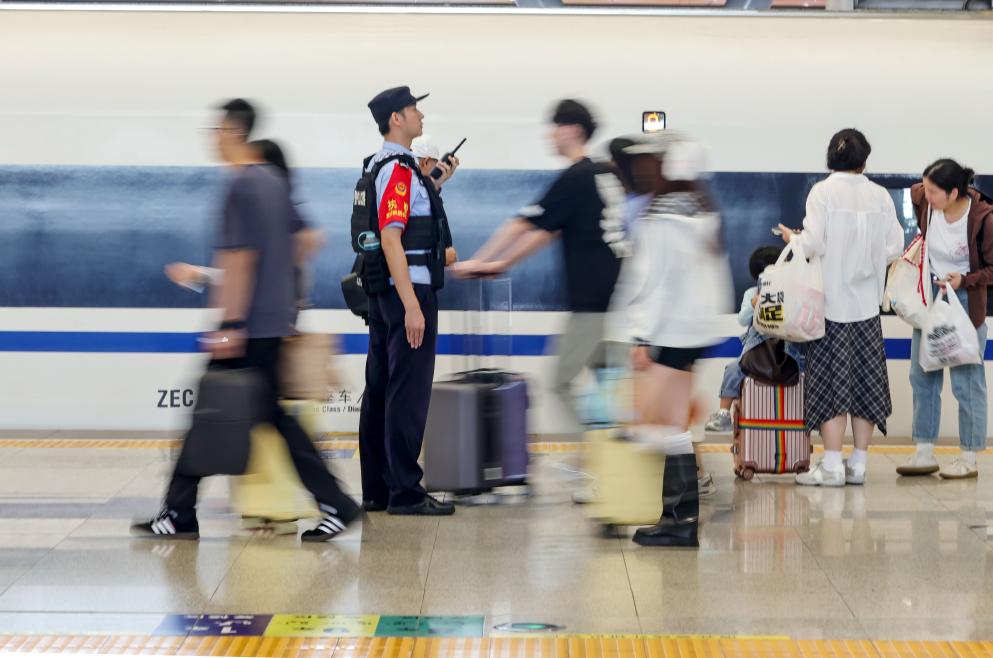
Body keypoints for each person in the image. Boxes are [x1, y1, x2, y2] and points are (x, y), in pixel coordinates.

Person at [133, 99, 360, 541]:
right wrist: (280, 285)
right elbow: (309, 238)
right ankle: (336, 503)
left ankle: (179, 513)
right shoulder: (273, 181)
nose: (213, 139)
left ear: (234, 132)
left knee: (209, 414)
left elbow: (238, 259)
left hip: (248, 326)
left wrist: (231, 324)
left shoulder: (239, 185)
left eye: (217, 131)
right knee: (273, 418)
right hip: (272, 323)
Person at [455, 99, 628, 436]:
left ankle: (595, 454)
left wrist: (480, 260)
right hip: (622, 302)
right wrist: (502, 263)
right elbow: (548, 231)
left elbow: (522, 224)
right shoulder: (606, 173)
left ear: (573, 130)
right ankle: (609, 453)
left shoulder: (576, 177)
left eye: (555, 127)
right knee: (607, 386)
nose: (550, 135)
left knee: (560, 383)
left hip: (592, 304)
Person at [618, 133, 732, 547]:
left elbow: (654, 280)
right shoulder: (701, 209)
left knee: (658, 424)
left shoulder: (663, 215)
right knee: (670, 423)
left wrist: (641, 335)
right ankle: (676, 517)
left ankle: (680, 521)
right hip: (693, 329)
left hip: (669, 330)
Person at [778, 128, 904, 487]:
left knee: (831, 383)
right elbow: (895, 246)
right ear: (864, 160)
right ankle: (858, 465)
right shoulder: (880, 196)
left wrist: (793, 239)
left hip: (829, 307)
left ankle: (832, 465)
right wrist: (866, 262)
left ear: (830, 158)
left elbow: (813, 243)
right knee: (865, 382)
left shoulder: (822, 192)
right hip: (866, 309)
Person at [357, 86, 457, 516]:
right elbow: (391, 238)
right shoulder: (398, 170)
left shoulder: (379, 166)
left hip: (385, 293)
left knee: (381, 388)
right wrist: (413, 306)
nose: (421, 115)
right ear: (396, 118)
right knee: (407, 393)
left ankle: (378, 489)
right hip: (408, 292)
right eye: (414, 108)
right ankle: (406, 492)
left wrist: (436, 184)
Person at [898, 159, 993, 480]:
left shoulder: (984, 218)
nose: (925, 195)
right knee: (922, 374)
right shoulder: (925, 202)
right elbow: (918, 192)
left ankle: (969, 456)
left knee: (968, 382)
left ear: (953, 193)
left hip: (965, 300)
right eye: (925, 188)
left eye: (933, 191)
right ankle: (923, 451)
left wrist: (965, 280)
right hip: (930, 297)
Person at [703, 245, 798, 433]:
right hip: (757, 350)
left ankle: (808, 415)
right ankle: (724, 414)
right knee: (733, 369)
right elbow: (742, 319)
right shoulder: (751, 293)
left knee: (807, 370)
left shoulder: (792, 291)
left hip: (788, 350)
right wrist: (754, 304)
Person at [412, 135, 459, 268]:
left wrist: (436, 185)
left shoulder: (422, 193)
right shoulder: (416, 198)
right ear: (426, 162)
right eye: (436, 164)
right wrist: (442, 257)